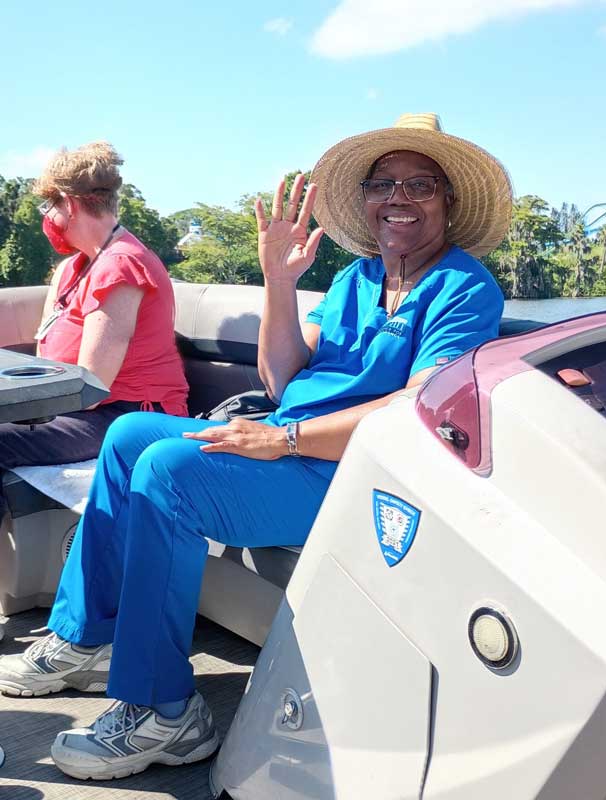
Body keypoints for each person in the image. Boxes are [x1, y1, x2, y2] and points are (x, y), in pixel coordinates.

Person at [0, 113, 512, 780]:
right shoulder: (358, 280)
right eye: (383, 183)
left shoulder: (464, 287)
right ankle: (87, 637)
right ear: (365, 200)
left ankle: (164, 711)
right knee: (129, 436)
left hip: (355, 470)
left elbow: (416, 409)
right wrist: (278, 279)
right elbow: (281, 376)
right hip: (290, 446)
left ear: (447, 199)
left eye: (420, 184)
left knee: (169, 471)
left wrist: (285, 436)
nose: (398, 198)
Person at [0, 142, 188, 518]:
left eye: (48, 207)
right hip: (80, 410)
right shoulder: (74, 268)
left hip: (125, 415)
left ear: (69, 204)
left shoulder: (121, 266)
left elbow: (89, 384)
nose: (48, 218)